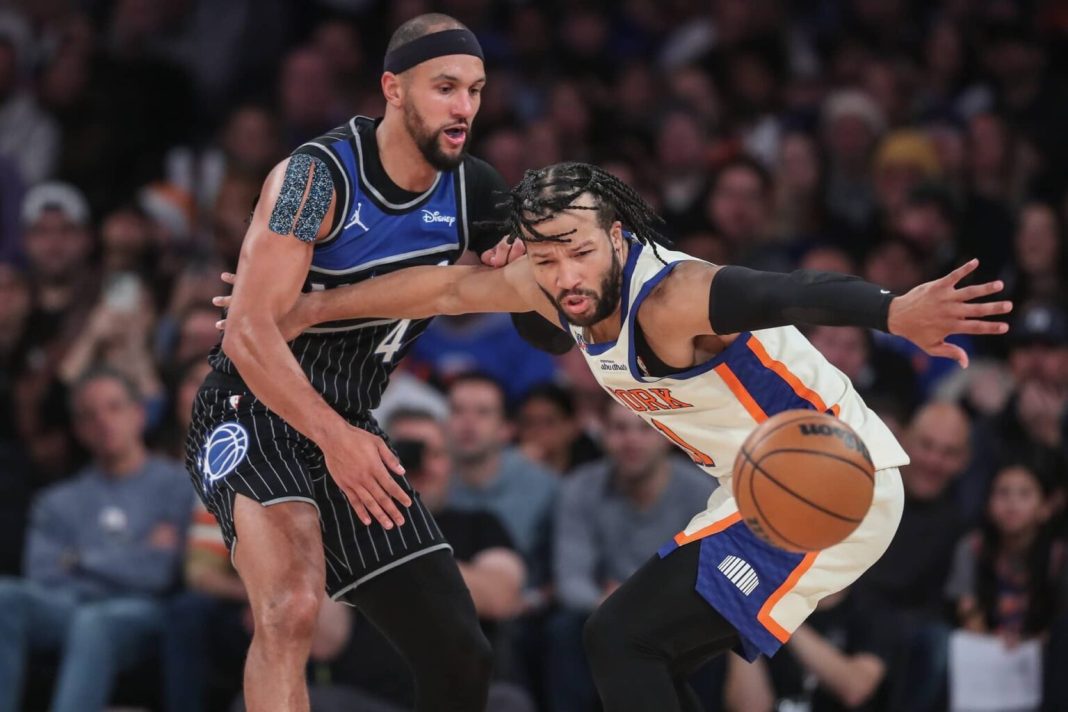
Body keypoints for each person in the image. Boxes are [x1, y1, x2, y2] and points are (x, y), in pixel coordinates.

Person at [217, 162, 1011, 711]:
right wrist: (310, 305)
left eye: (580, 250)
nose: (565, 273)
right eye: (548, 255)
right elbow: (448, 288)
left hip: (833, 480)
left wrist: (893, 311)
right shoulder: (551, 279)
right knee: (648, 656)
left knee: (621, 640)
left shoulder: (672, 298)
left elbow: (786, 291)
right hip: (750, 487)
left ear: (620, 237)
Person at [186, 14, 550, 712]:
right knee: (292, 607)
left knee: (460, 652)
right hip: (250, 410)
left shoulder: (475, 189)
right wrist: (336, 439)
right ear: (393, 88)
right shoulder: (314, 177)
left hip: (348, 420)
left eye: (475, 90)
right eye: (445, 87)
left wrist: (522, 272)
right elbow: (246, 334)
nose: (464, 107)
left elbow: (549, 335)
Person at [0, 368, 192, 712]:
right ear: (78, 429)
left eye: (114, 407)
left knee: (94, 622)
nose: (103, 422)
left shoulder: (177, 486)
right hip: (68, 606)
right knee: (6, 596)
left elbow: (159, 573)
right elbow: (40, 573)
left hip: (144, 611)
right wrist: (133, 555)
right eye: (89, 415)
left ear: (139, 414)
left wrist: (78, 559)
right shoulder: (56, 500)